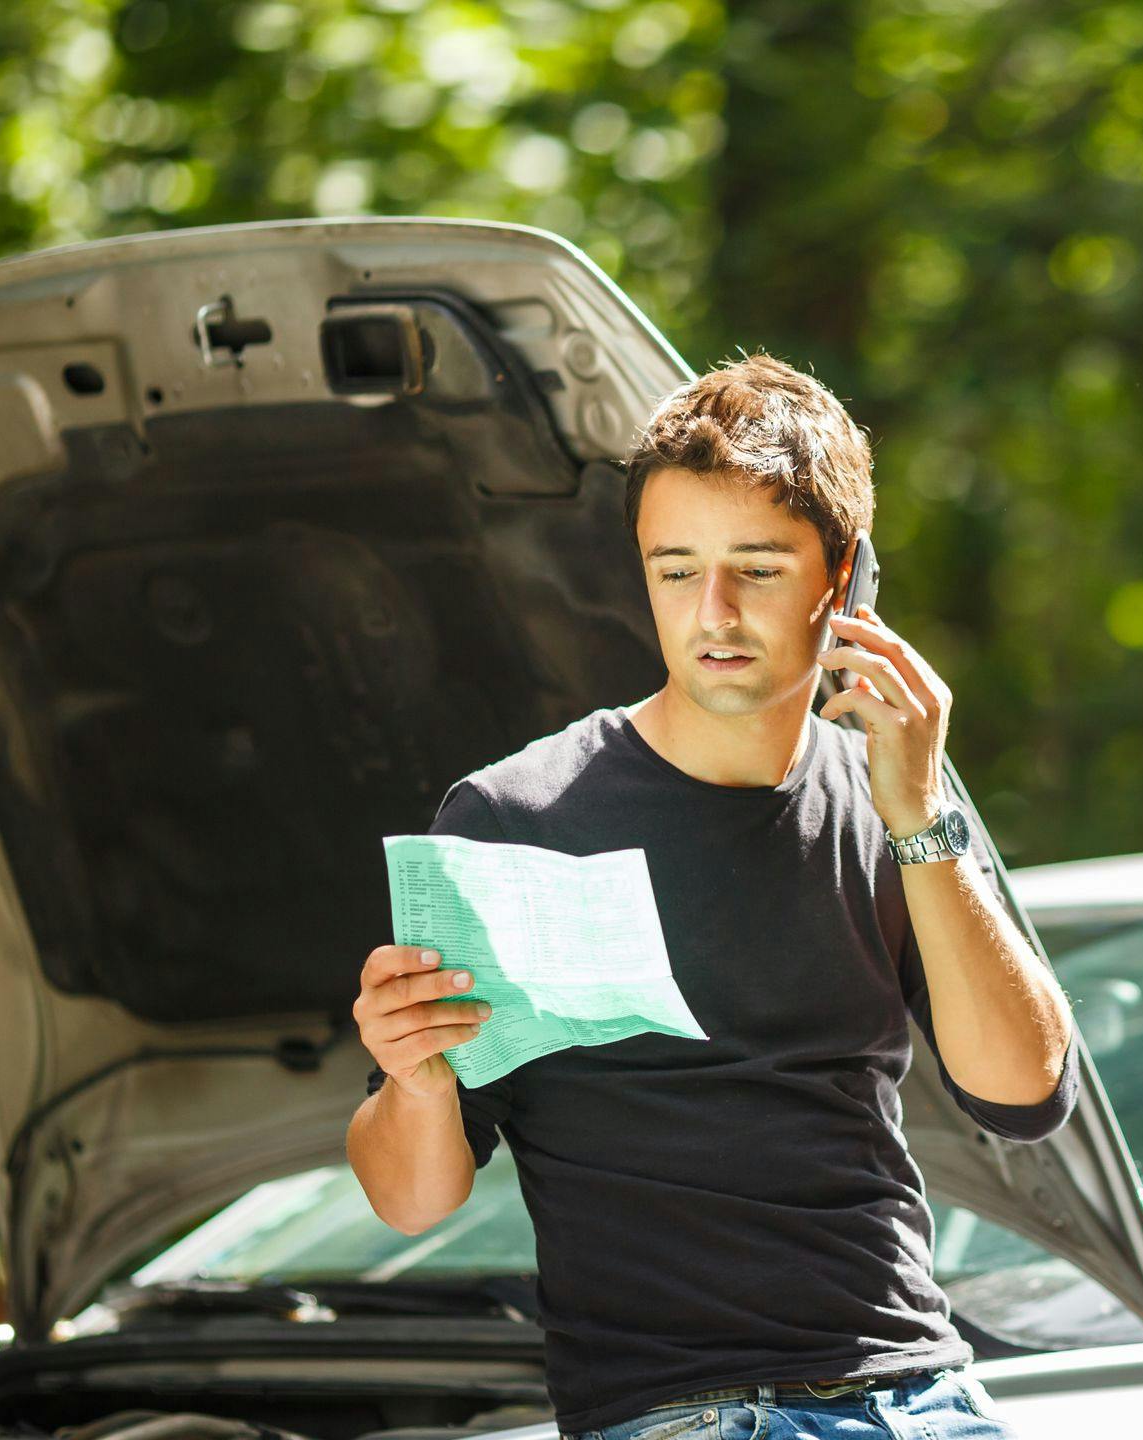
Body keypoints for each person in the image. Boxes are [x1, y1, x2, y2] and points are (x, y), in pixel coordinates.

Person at [345, 352, 1077, 1440]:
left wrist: (920, 813)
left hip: (922, 1396)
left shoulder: (893, 801)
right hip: (680, 1416)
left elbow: (1024, 1094)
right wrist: (411, 1080)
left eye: (758, 569)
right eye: (676, 570)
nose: (714, 613)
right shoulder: (518, 816)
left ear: (847, 582)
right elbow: (412, 1199)